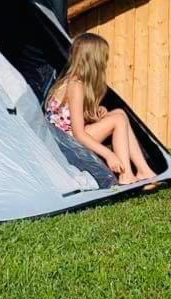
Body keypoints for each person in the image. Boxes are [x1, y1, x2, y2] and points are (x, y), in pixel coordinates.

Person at [45, 32, 157, 187]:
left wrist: (96, 115)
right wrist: (109, 154)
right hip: (67, 144)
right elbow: (78, 134)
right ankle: (126, 176)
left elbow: (69, 118)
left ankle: (144, 171)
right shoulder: (75, 86)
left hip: (67, 137)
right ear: (94, 61)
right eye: (104, 58)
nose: (106, 62)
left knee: (119, 113)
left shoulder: (74, 82)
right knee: (117, 119)